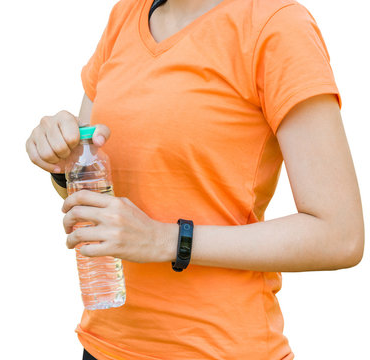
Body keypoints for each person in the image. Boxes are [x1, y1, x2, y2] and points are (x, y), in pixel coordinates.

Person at [25, 0, 364, 358]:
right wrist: (64, 166)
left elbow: (340, 235)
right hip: (104, 345)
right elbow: (95, 181)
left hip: (218, 349)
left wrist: (168, 240)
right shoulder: (126, 14)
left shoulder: (275, 23)